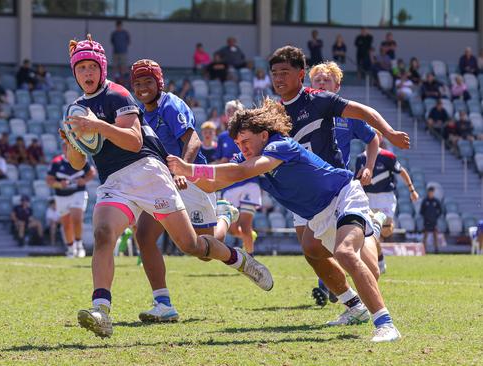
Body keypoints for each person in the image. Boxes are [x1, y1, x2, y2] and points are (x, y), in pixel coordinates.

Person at [64, 35, 273, 338]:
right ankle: (102, 310)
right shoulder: (76, 108)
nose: (86, 73)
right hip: (114, 181)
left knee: (191, 246)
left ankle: (240, 260)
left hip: (149, 173)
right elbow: (76, 162)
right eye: (80, 68)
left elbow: (134, 141)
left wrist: (97, 126)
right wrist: (71, 143)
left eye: (91, 67)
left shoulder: (119, 96)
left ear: (102, 69)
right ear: (74, 73)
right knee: (103, 233)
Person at [167, 98, 401, 342]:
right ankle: (355, 306)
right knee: (311, 249)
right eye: (238, 143)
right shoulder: (247, 156)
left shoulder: (280, 146)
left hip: (343, 195)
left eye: (246, 141)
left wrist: (189, 169)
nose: (242, 148)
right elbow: (214, 181)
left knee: (345, 253)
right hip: (319, 213)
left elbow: (240, 173)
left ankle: (386, 325)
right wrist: (184, 179)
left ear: (264, 135)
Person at [270, 46, 409, 325]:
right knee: (311, 250)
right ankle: (353, 305)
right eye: (274, 73)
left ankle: (382, 320)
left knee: (363, 264)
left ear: (300, 75)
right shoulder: (274, 113)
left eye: (284, 72)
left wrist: (388, 134)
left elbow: (367, 121)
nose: (278, 78)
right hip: (308, 196)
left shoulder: (323, 103)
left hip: (339, 188)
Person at [130, 59, 241, 323]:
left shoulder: (171, 104)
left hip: (189, 179)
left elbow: (193, 140)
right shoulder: (137, 113)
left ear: (159, 83)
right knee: (144, 236)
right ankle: (163, 303)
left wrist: (181, 171)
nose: (143, 88)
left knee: (203, 250)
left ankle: (224, 216)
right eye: (137, 83)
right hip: (161, 182)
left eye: (148, 82)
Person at [308, 61, 382, 305]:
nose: (320, 83)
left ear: (337, 86)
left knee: (340, 248)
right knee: (310, 246)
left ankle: (340, 291)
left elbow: (374, 139)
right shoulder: (300, 110)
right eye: (316, 79)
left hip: (339, 186)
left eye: (326, 79)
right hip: (308, 187)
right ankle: (337, 287)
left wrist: (369, 166)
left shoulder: (347, 115)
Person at [355, 136, 419, 271]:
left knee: (385, 229)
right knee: (371, 233)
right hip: (368, 197)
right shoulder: (361, 158)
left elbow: (402, 172)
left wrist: (412, 190)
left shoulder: (387, 156)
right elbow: (356, 181)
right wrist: (358, 177)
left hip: (386, 197)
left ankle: (379, 256)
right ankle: (379, 261)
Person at [216, 100, 261, 255]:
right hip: (230, 185)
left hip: (249, 182)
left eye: (234, 110)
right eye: (228, 110)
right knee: (232, 228)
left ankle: (250, 259)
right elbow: (221, 160)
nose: (231, 113)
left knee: (245, 224)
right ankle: (248, 238)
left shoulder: (250, 133)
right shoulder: (222, 137)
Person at [46, 143, 96, 257]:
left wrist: (84, 180)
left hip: (78, 193)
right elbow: (49, 180)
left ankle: (79, 244)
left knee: (77, 218)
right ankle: (70, 248)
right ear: (63, 148)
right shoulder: (56, 162)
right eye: (66, 147)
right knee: (66, 224)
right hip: (61, 196)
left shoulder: (81, 158)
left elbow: (92, 172)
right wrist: (59, 184)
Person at [420, 187, 442, 254]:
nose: (431, 194)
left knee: (435, 235)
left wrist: (435, 217)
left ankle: (436, 250)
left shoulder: (436, 201)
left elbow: (440, 210)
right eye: (430, 192)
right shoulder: (425, 201)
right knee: (425, 235)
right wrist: (426, 216)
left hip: (434, 222)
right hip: (426, 221)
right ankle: (424, 250)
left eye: (432, 192)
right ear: (428, 192)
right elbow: (421, 211)